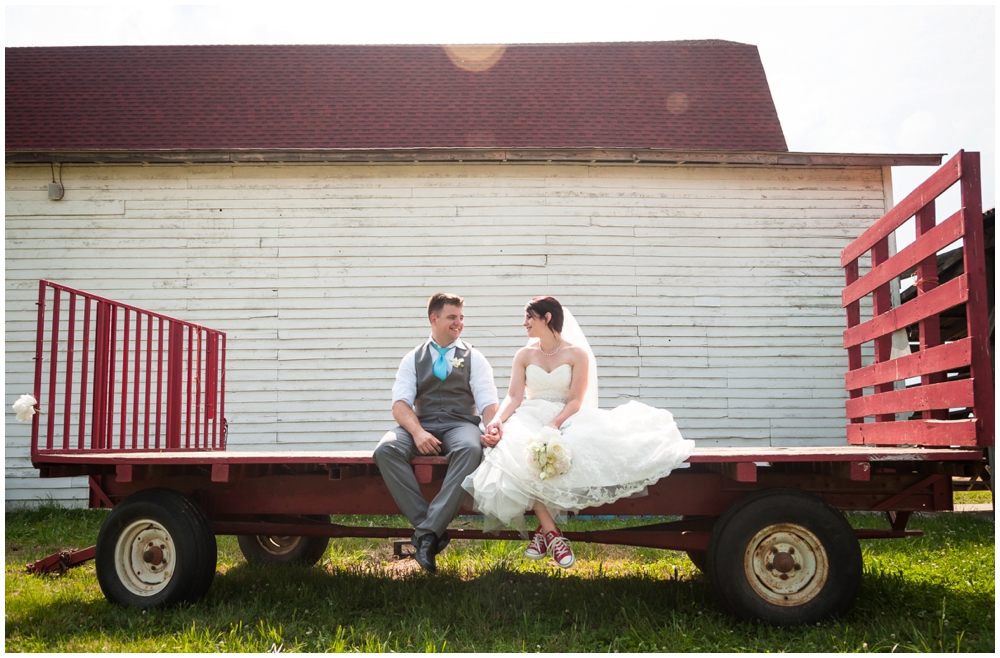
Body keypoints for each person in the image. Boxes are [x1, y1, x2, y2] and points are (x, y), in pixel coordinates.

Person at [462, 296, 695, 568]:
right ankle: (553, 534)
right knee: (516, 452)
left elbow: (575, 400)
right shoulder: (523, 355)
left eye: (529, 317)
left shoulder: (577, 354)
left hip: (566, 415)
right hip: (529, 414)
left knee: (568, 450)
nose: (523, 323)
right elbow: (513, 397)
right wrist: (498, 421)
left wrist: (555, 424)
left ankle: (543, 532)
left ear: (546, 318)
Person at [374, 293, 499, 573]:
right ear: (434, 318)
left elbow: (488, 401)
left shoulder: (474, 357)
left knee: (471, 449)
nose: (459, 323)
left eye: (461, 318)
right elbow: (400, 405)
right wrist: (417, 433)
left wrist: (492, 426)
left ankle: (426, 533)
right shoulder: (412, 358)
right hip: (423, 423)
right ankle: (430, 531)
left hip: (459, 424)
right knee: (386, 449)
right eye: (452, 317)